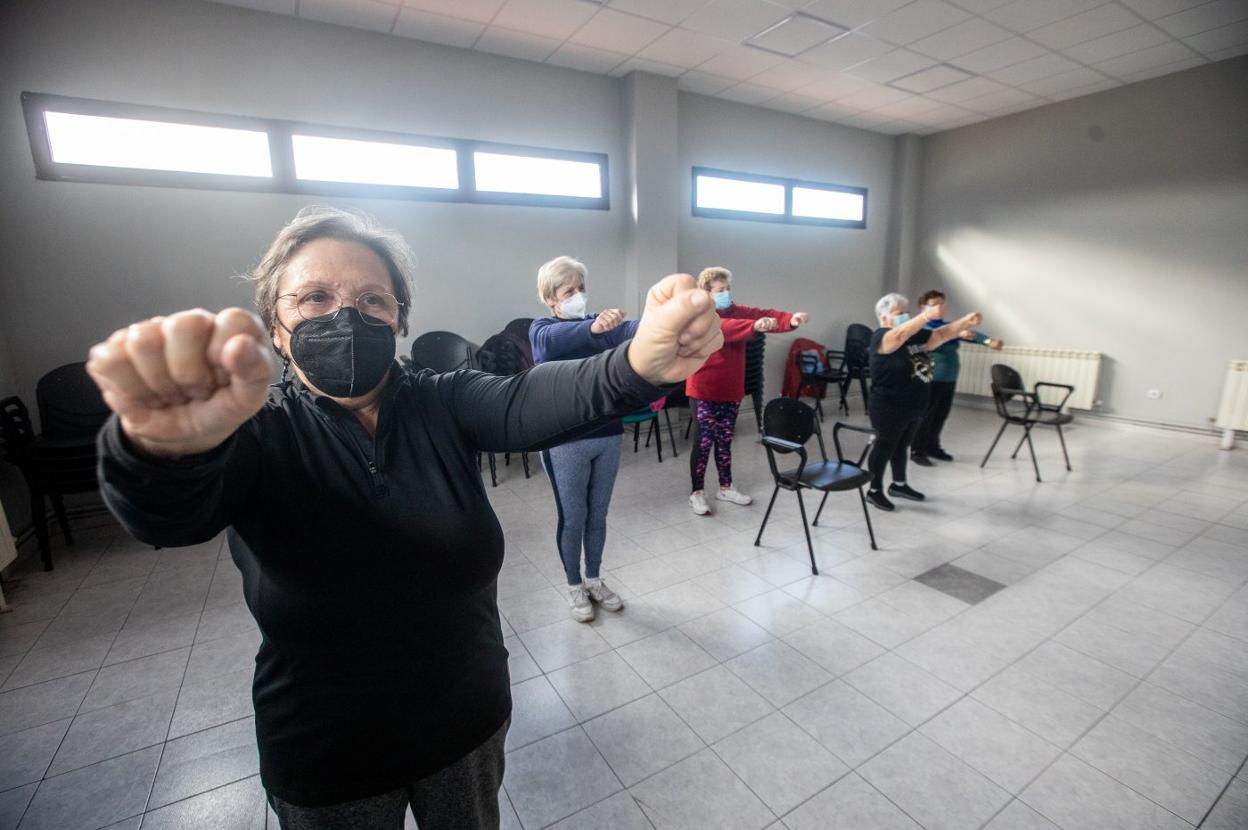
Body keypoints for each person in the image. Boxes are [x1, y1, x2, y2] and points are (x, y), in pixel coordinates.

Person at [86, 206, 722, 830]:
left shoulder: (440, 398)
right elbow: (168, 518)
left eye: (371, 300)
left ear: (397, 320)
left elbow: (529, 400)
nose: (345, 315)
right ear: (276, 328)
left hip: (465, 721)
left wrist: (638, 365)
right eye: (313, 298)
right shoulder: (258, 429)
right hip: (328, 749)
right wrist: (160, 451)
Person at [529, 255, 636, 622]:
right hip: (565, 442)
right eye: (569, 290)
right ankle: (574, 585)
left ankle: (594, 579)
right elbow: (555, 340)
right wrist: (594, 329)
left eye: (582, 288)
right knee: (572, 517)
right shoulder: (541, 329)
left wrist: (670, 318)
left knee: (598, 515)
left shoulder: (599, 325)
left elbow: (636, 330)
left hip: (607, 435)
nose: (578, 296)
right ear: (551, 298)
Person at [685, 266, 808, 516]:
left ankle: (725, 487)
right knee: (703, 443)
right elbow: (723, 327)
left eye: (728, 288)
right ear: (706, 292)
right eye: (720, 290)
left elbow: (764, 314)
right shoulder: (700, 316)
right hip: (704, 389)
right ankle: (696, 493)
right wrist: (753, 327)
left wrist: (790, 320)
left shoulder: (737, 310)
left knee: (725, 441)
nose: (726, 293)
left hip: (731, 390)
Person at [865, 292, 982, 511]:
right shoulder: (881, 336)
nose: (905, 317)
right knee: (884, 447)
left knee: (902, 446)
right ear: (884, 317)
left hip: (914, 404)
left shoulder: (914, 336)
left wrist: (965, 321)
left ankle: (899, 485)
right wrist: (926, 315)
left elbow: (939, 336)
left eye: (906, 313)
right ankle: (874, 490)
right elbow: (898, 336)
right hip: (889, 405)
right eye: (899, 313)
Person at [910, 289, 1003, 466]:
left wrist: (988, 341)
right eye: (934, 304)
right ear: (923, 307)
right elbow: (938, 335)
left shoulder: (949, 325)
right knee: (925, 416)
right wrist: (957, 333)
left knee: (940, 415)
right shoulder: (921, 328)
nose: (939, 307)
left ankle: (932, 447)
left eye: (941, 303)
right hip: (930, 378)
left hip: (948, 378)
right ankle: (917, 450)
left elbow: (971, 334)